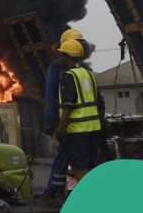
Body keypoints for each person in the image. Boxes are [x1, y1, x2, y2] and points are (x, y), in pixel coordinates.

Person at [44, 39, 105, 200]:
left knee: (79, 167)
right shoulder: (89, 75)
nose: (60, 59)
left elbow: (69, 106)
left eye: (62, 55)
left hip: (78, 130)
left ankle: (95, 199)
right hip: (94, 128)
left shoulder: (68, 76)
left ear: (68, 57)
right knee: (91, 166)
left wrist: (61, 128)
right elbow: (98, 102)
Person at [42, 28, 84, 200]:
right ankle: (54, 190)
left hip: (79, 125)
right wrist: (52, 123)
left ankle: (58, 191)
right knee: (66, 156)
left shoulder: (78, 69)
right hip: (69, 124)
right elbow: (51, 97)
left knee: (73, 158)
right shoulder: (58, 69)